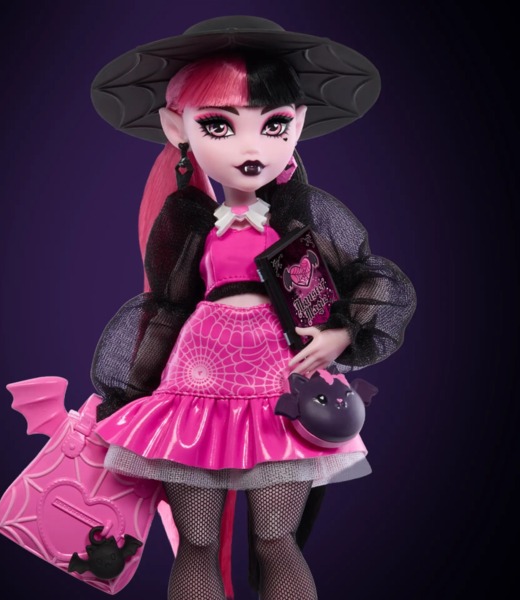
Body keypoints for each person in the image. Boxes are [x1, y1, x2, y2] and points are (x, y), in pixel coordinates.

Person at [89, 16, 416, 600]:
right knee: (196, 542)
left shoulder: (307, 215)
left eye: (274, 124)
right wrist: (125, 391)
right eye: (218, 125)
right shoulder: (186, 221)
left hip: (280, 384)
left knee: (275, 538)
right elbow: (164, 308)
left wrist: (342, 333)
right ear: (176, 127)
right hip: (197, 383)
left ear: (299, 125)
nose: (250, 148)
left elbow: (374, 277)